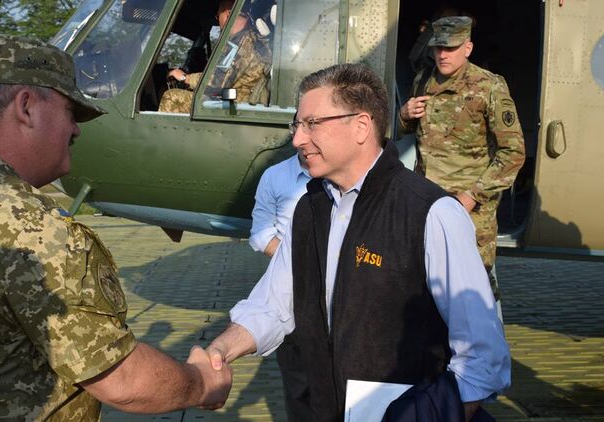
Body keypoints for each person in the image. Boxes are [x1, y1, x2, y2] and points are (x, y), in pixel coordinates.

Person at [0, 35, 231, 420]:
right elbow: (122, 381)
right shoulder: (28, 227)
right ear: (26, 107)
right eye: (70, 112)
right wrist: (200, 382)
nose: (76, 130)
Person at [203, 63, 510, 421]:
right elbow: (272, 306)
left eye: (312, 123)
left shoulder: (432, 213)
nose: (298, 139)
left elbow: (482, 357)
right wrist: (219, 351)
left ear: (362, 126)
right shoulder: (310, 208)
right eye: (296, 125)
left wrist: (431, 413)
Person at [398, 16, 525, 302]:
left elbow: (512, 153)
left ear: (468, 48)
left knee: (474, 291)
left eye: (451, 48)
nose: (442, 55)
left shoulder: (489, 86)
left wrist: (472, 195)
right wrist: (404, 115)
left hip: (470, 208)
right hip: (426, 203)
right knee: (425, 285)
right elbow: (409, 130)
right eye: (438, 47)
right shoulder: (423, 80)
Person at [248, 151, 314, 421]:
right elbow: (261, 233)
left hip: (340, 294)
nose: (302, 139)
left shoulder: (343, 174)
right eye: (298, 129)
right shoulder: (274, 177)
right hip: (292, 292)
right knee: (298, 384)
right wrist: (296, 261)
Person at [158, 0, 271, 112]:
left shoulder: (239, 43)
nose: (219, 22)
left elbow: (216, 82)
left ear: (227, 15)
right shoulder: (251, 39)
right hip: (238, 98)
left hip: (235, 105)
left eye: (217, 17)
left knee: (171, 97)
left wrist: (184, 78)